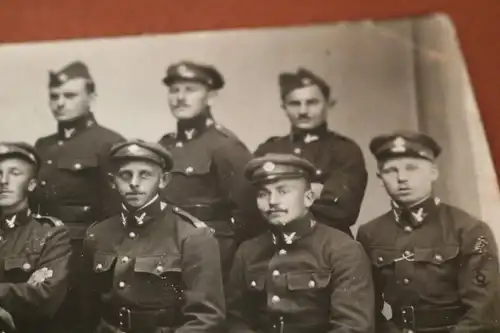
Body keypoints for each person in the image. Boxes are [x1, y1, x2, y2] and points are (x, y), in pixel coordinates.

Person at [357, 131, 500, 333]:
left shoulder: (470, 230)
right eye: (391, 170)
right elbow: (366, 306)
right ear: (380, 178)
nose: (402, 178)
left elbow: (483, 312)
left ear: (433, 172)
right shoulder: (370, 234)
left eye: (412, 168)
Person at [82, 139, 225, 333]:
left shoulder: (193, 235)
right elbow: (86, 310)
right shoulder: (98, 233)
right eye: (125, 175)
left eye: (145, 175)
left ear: (163, 180)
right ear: (112, 181)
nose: (134, 183)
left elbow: (206, 318)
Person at [226, 153, 375, 333]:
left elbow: (352, 327)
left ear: (309, 198)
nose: (272, 202)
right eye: (263, 194)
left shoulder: (342, 250)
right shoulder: (247, 252)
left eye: (283, 191)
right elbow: (234, 319)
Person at [32, 60, 124, 332]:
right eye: (54, 97)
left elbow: (116, 211)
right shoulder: (43, 146)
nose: (60, 103)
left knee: (81, 322)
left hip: (84, 254)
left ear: (91, 98)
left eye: (69, 96)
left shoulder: (107, 143)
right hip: (42, 252)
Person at [158, 60, 262, 283]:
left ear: (211, 97)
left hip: (213, 254)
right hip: (167, 251)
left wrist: (226, 255)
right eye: (174, 90)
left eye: (190, 90)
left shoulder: (225, 146)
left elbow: (249, 214)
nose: (180, 98)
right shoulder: (164, 146)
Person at [254, 68, 368, 237]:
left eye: (312, 102)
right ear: (283, 107)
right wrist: (314, 191)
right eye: (295, 104)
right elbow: (252, 206)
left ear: (328, 103)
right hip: (275, 244)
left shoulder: (344, 150)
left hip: (328, 243)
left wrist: (285, 200)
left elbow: (344, 209)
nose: (303, 111)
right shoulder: (268, 150)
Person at [0, 142, 71, 333]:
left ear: (31, 184)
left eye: (14, 173)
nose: (3, 181)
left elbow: (45, 296)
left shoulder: (50, 233)